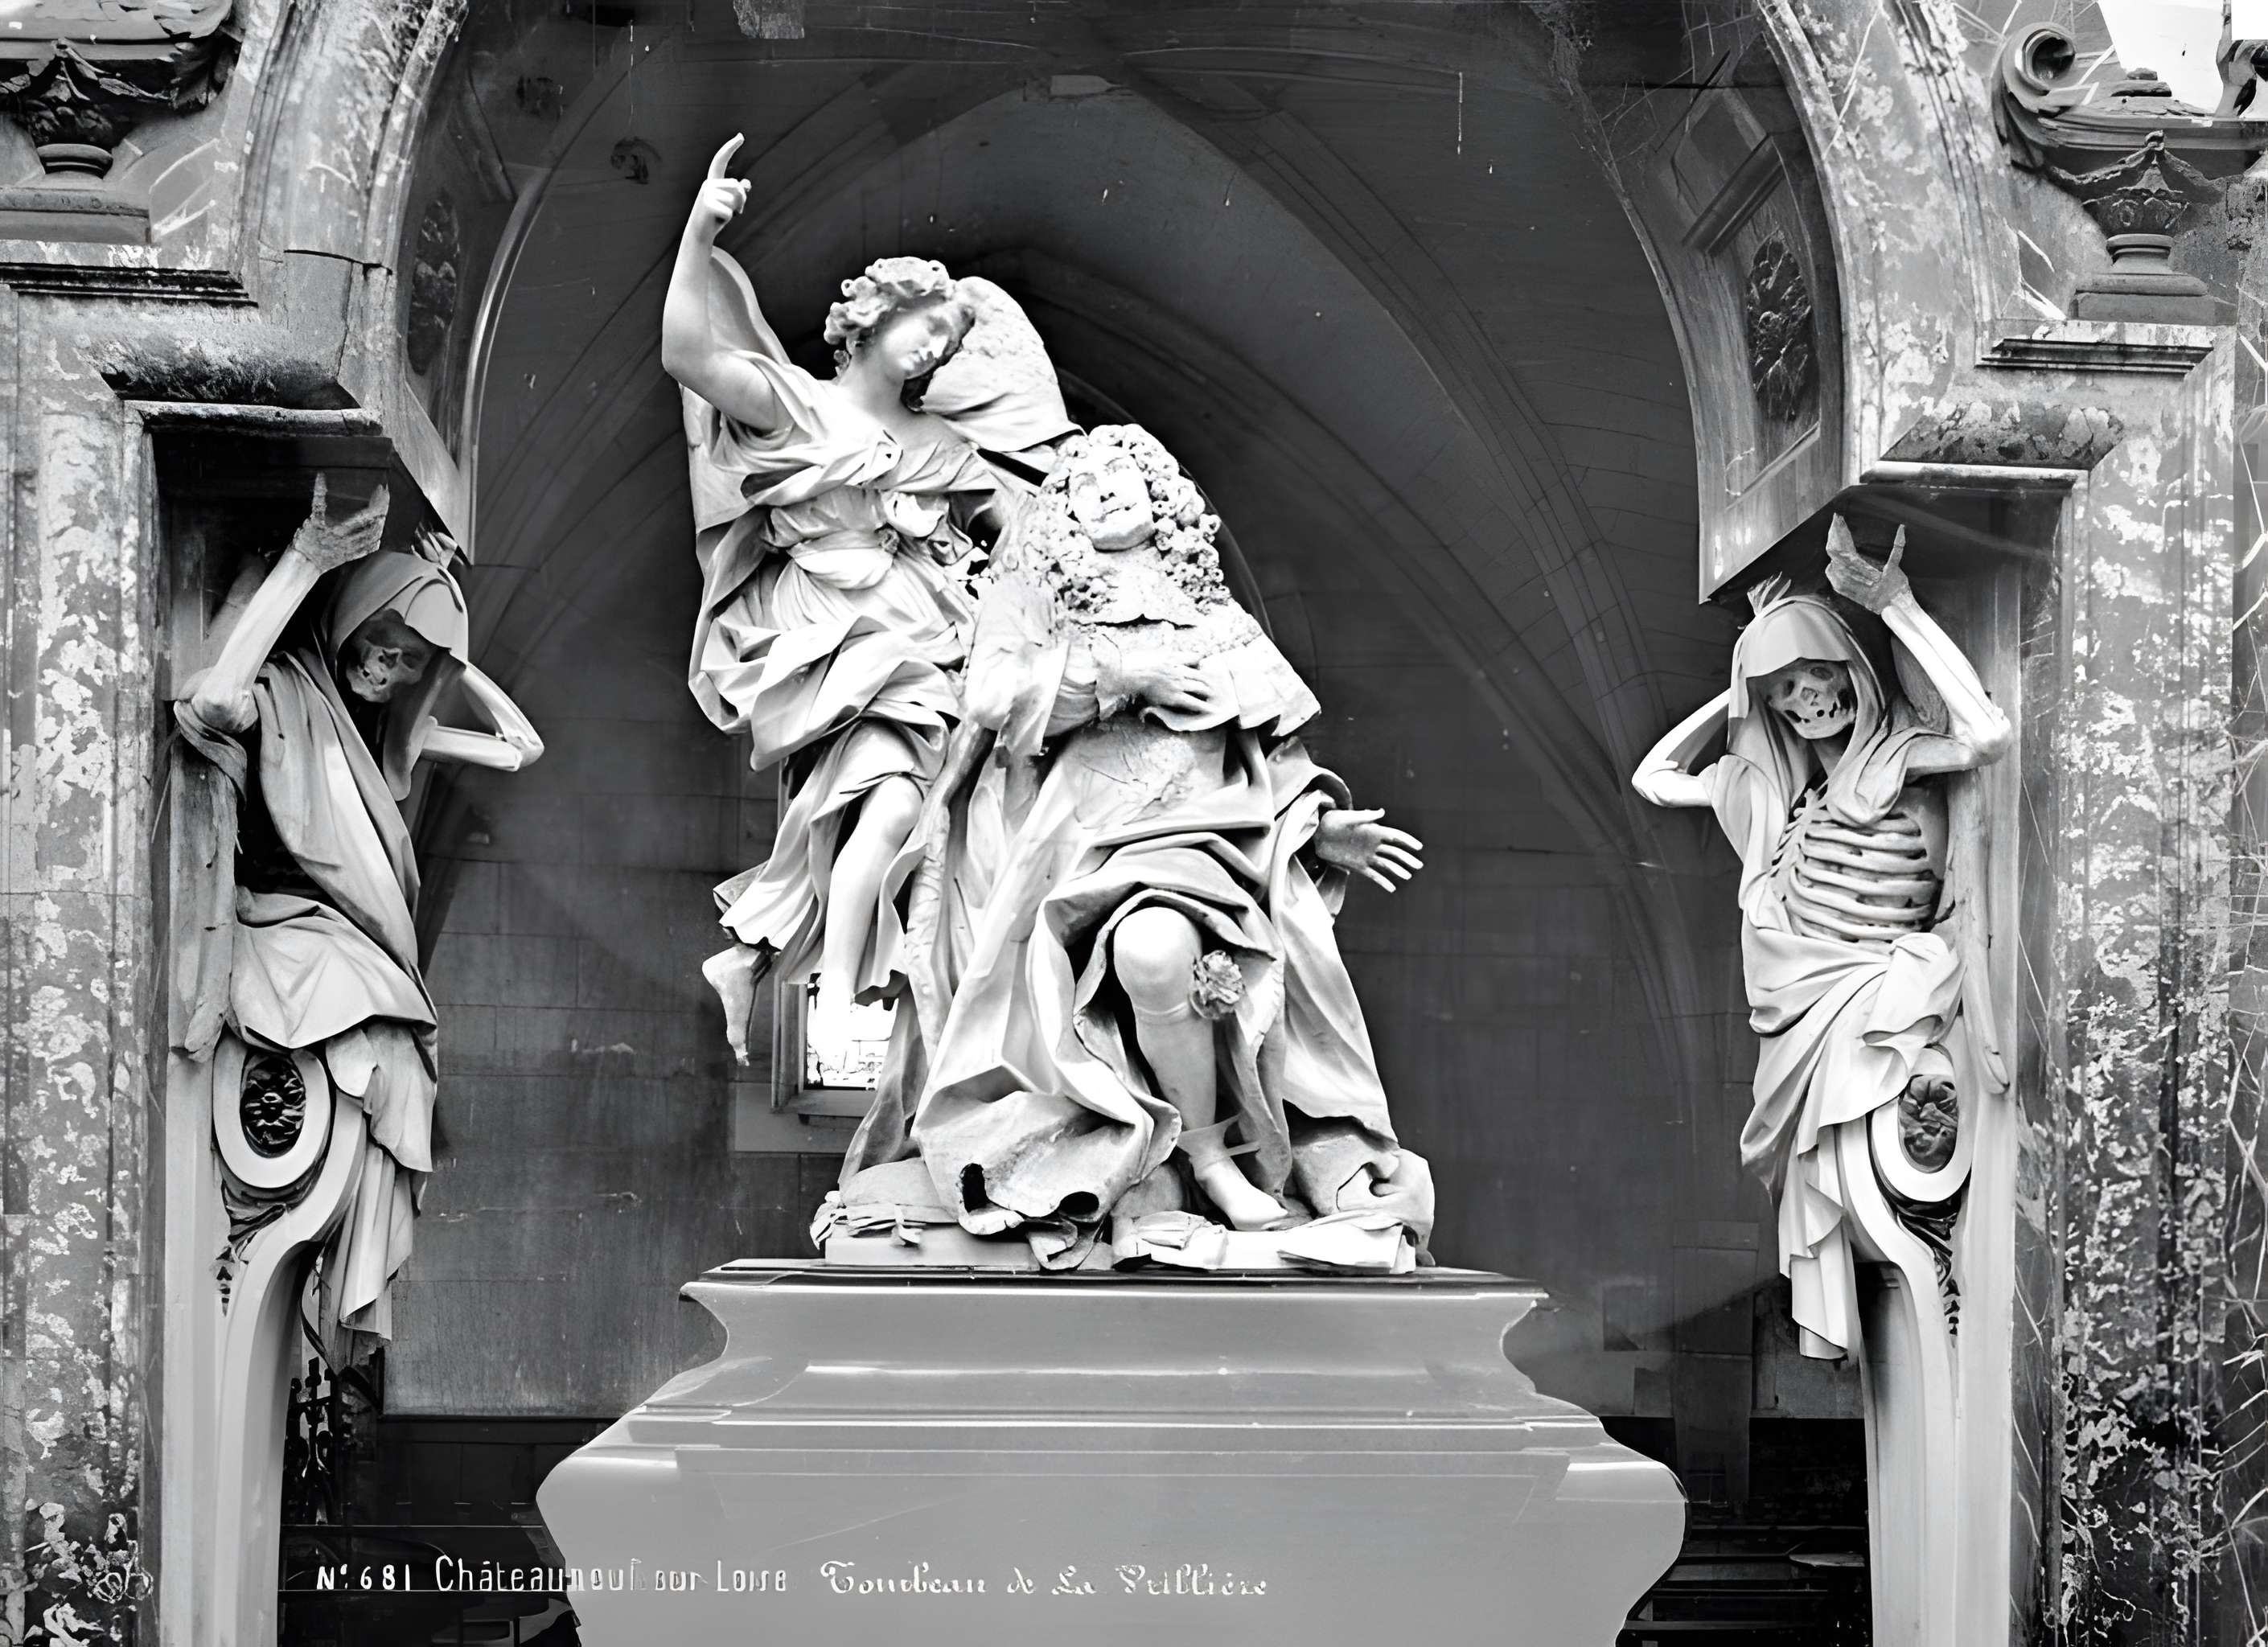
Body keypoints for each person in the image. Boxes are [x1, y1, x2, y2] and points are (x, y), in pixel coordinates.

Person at [890, 425, 1434, 1267]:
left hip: (1215, 838)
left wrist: (1321, 830)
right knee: (1139, 960)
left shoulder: (1215, 614)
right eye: (1084, 485)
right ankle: (1180, 1164)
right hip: (1083, 841)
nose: (1107, 488)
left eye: (1127, 474)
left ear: (1166, 498)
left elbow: (1275, 758)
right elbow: (993, 691)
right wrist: (1123, 677)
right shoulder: (1036, 596)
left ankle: (1240, 1156)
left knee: (1183, 955)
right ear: (1061, 517)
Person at [663, 135, 1073, 1063]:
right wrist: (697, 232)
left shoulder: (942, 440)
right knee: (886, 805)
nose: (934, 343)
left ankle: (759, 954)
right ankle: (843, 1008)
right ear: (872, 316)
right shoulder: (800, 407)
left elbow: (1026, 535)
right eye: (923, 322)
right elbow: (688, 352)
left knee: (923, 819)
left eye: (947, 339)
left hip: (927, 632)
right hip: (843, 635)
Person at [175, 478, 544, 1359]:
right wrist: (314, 562)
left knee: (391, 1044)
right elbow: (214, 703)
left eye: (411, 661)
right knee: (379, 1032)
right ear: (349, 617)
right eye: (384, 641)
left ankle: (349, 1275)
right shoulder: (283, 686)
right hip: (283, 926)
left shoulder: (380, 738)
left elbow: (519, 745)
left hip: (350, 945)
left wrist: (442, 631)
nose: (391, 668)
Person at [1631, 519, 2009, 1358]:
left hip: (1872, 995)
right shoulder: (1784, 803)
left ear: (1855, 671)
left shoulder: (1900, 755)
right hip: (1799, 1014)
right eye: (1785, 692)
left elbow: (1987, 734)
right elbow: (1654, 779)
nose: (1808, 701)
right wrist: (1738, 683)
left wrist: (1899, 606)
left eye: (1819, 675)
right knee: (1825, 1185)